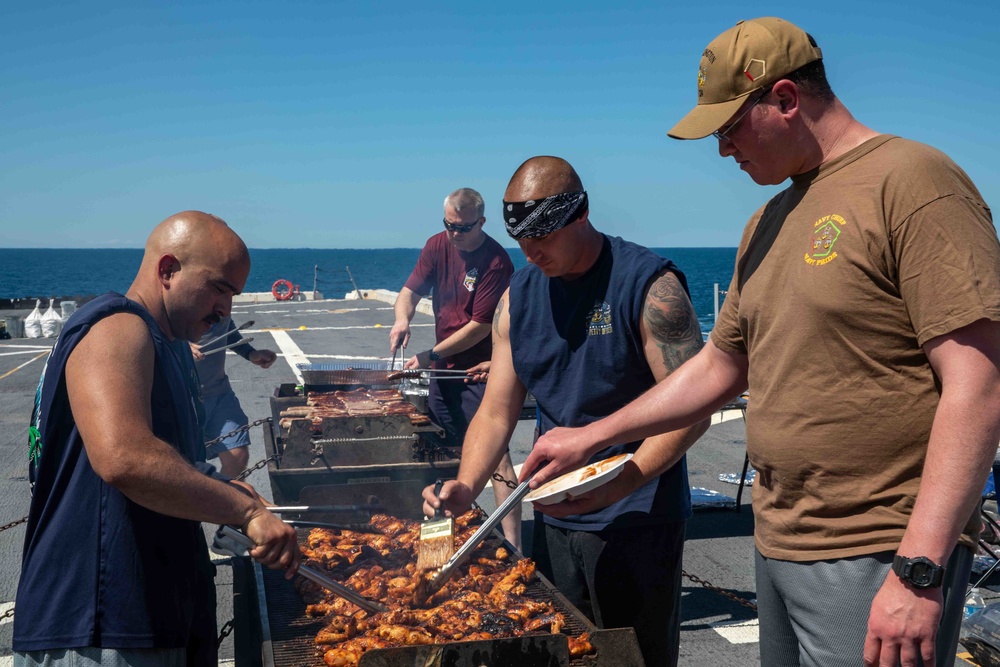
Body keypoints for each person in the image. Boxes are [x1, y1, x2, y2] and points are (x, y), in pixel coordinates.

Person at [521, 18, 1000, 667]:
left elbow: (979, 383)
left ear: (784, 98)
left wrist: (920, 565)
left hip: (876, 546)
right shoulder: (766, 221)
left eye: (728, 127)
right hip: (779, 544)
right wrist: (595, 434)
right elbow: (721, 364)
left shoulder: (914, 182)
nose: (722, 150)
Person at [422, 157, 708, 667]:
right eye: (522, 243)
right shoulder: (519, 296)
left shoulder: (650, 285)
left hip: (638, 518)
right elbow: (495, 411)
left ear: (581, 215)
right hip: (553, 517)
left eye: (543, 240)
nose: (532, 255)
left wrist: (625, 480)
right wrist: (465, 486)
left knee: (634, 659)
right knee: (560, 655)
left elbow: (693, 410)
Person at [14, 211, 300, 667]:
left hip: (150, 618)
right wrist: (244, 511)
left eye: (234, 294)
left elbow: (167, 460)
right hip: (99, 628)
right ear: (167, 270)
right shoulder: (116, 327)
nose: (226, 309)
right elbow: (124, 457)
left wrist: (226, 487)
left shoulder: (167, 345)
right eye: (219, 288)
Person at [391, 187, 522, 548]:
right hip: (442, 372)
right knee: (447, 453)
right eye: (449, 225)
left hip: (479, 370)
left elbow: (479, 326)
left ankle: (514, 545)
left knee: (497, 458)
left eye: (463, 228)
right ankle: (452, 535)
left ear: (481, 222)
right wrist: (402, 319)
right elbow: (410, 291)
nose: (455, 234)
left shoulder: (496, 262)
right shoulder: (437, 245)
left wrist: (429, 355)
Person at [192, 316, 277, 477]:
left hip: (219, 393)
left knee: (238, 456)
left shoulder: (224, 297)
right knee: (189, 465)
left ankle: (223, 500)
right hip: (182, 398)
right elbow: (152, 331)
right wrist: (178, 347)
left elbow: (227, 332)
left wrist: (251, 353)